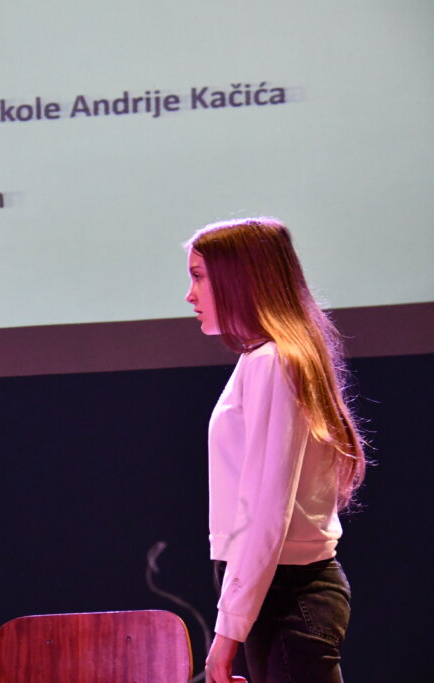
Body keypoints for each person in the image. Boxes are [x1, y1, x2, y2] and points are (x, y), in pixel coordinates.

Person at [184, 218, 365, 683]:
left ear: (239, 279)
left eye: (199, 277)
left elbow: (267, 512)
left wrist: (226, 637)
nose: (190, 295)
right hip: (275, 596)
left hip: (288, 598)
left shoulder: (274, 361)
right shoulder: (265, 358)